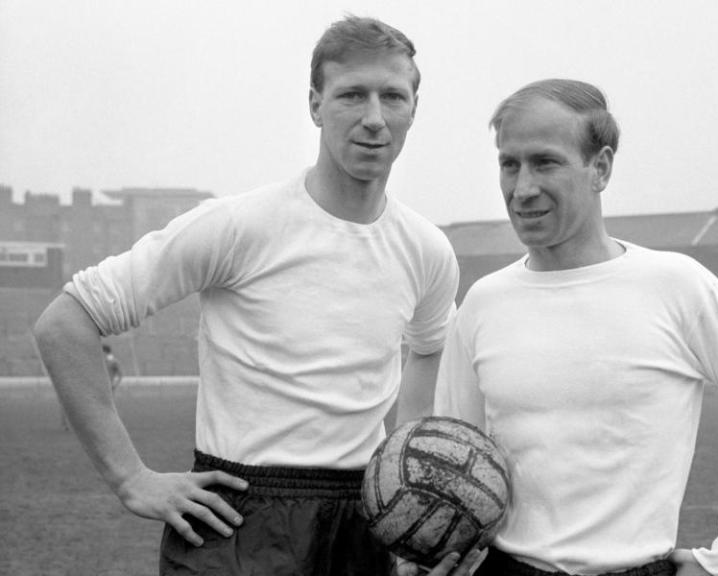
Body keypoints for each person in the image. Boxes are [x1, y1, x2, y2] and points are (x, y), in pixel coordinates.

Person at [33, 16, 481, 576]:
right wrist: (130, 477)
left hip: (362, 523)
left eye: (392, 96)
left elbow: (431, 345)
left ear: (414, 108)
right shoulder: (239, 226)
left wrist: (408, 479)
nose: (373, 118)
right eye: (351, 96)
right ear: (316, 105)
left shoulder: (426, 250)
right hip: (237, 517)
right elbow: (65, 323)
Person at [434, 79, 718, 576]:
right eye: (510, 164)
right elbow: (451, 455)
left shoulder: (675, 286)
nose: (522, 188)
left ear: (601, 167)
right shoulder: (483, 303)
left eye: (545, 162)